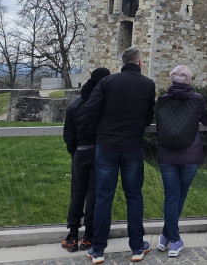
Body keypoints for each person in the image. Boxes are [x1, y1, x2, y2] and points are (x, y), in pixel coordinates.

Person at [81, 47, 156, 264]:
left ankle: (97, 249)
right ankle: (136, 246)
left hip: (106, 145)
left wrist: (102, 130)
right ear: (139, 63)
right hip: (132, 146)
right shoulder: (148, 84)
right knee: (134, 196)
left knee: (104, 197)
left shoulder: (107, 82)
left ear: (123, 62)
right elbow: (148, 116)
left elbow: (90, 111)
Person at [154, 65, 207, 257]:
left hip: (167, 155)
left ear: (172, 80)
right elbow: (206, 121)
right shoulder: (197, 99)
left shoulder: (162, 100)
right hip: (190, 155)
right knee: (180, 196)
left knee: (171, 197)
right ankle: (174, 240)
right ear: (189, 81)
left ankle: (165, 236)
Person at [61, 67, 110, 253]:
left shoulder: (75, 104)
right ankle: (89, 236)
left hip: (80, 152)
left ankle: (72, 236)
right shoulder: (105, 103)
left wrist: (73, 150)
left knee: (77, 194)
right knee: (95, 195)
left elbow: (69, 133)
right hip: (100, 152)